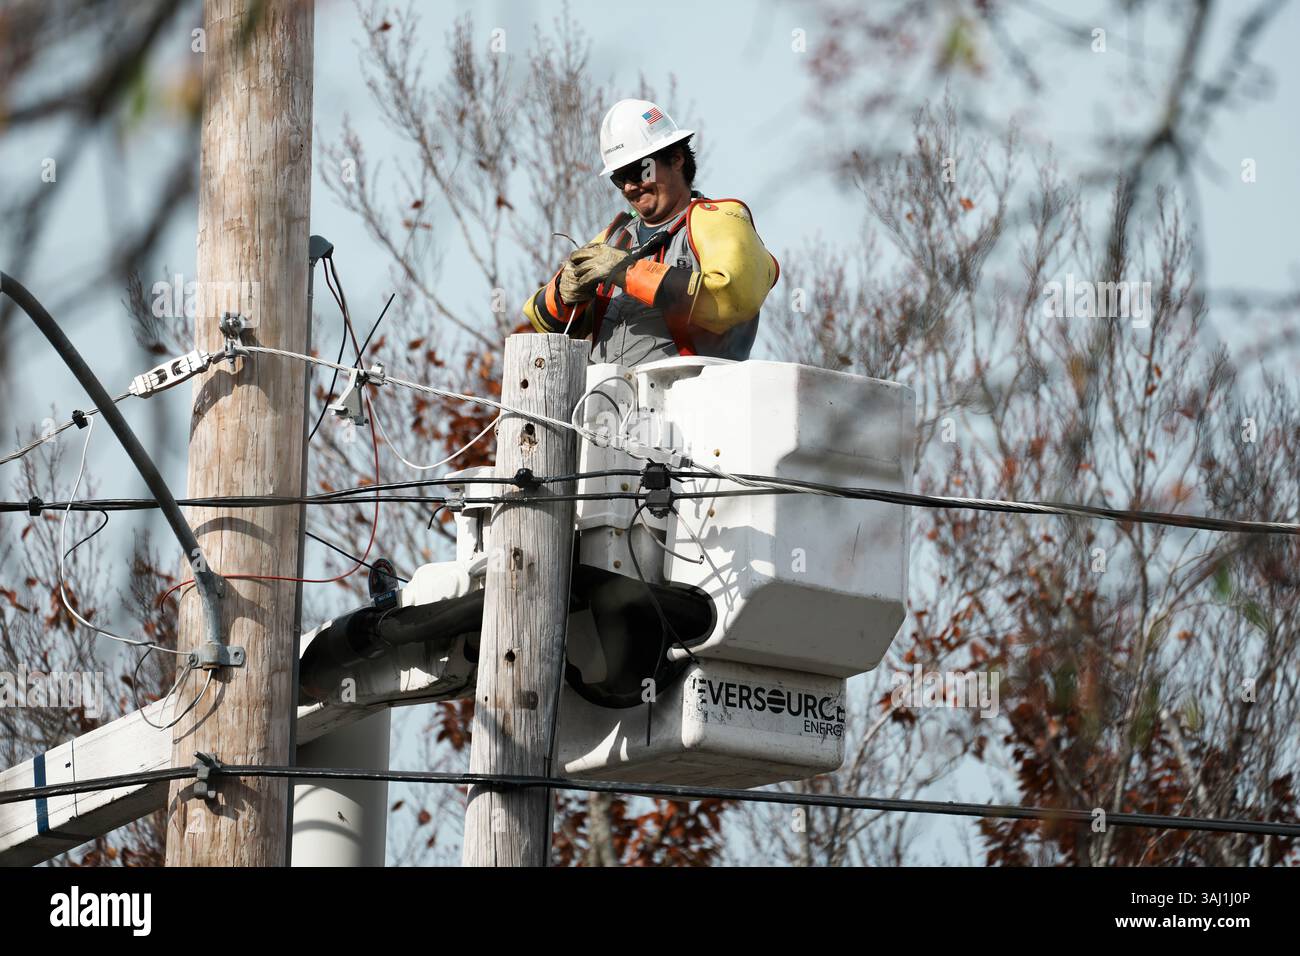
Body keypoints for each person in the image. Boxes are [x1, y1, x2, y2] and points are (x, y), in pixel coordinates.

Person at [523, 99, 779, 366]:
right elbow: (544, 323)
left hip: (696, 398)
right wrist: (564, 293)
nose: (630, 187)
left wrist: (628, 273)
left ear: (676, 158)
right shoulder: (615, 237)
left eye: (639, 172)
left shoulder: (720, 220)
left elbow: (731, 299)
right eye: (620, 179)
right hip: (607, 401)